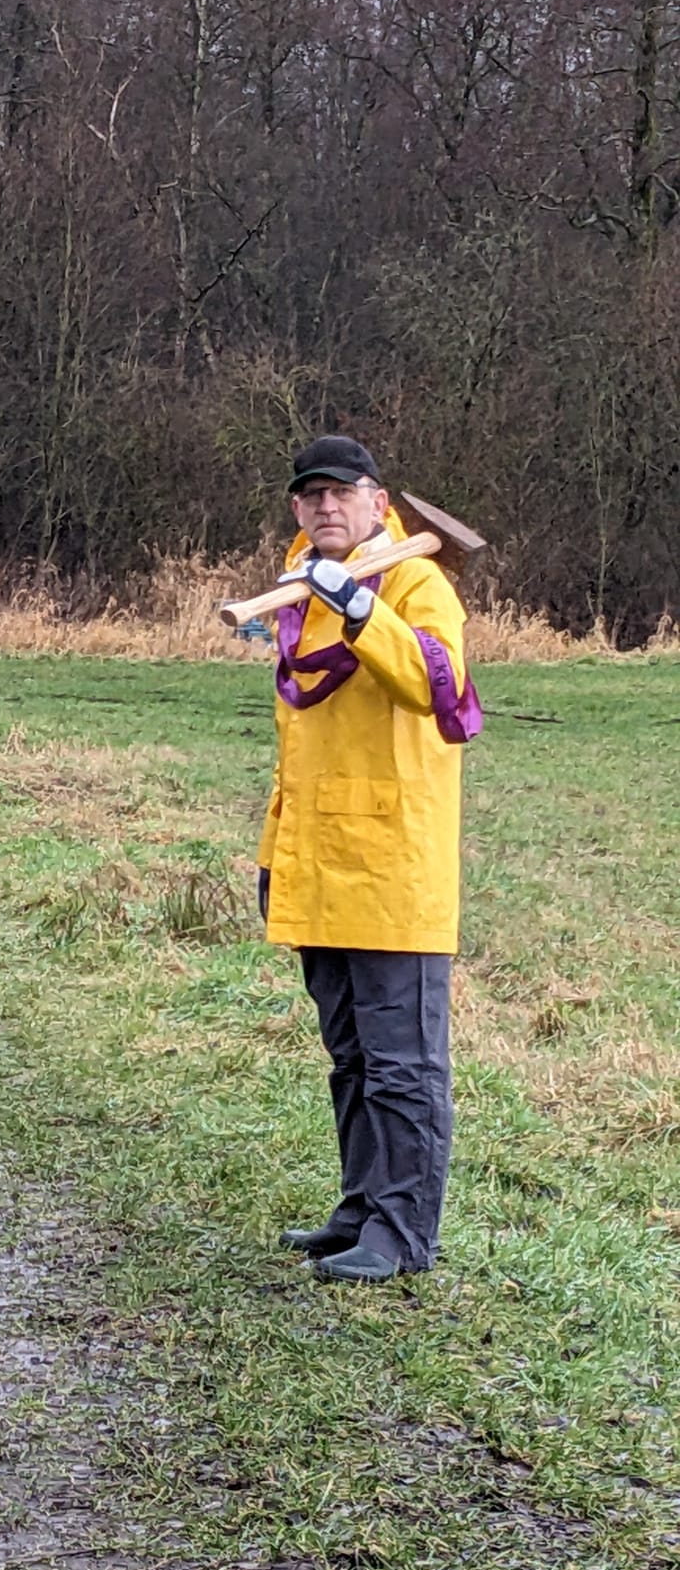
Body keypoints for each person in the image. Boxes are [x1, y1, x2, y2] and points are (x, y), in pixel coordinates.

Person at [256, 435, 481, 1284]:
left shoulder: (418, 583)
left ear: (378, 502)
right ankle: (360, 1208)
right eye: (310, 495)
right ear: (296, 508)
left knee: (402, 1065)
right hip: (317, 860)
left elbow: (436, 686)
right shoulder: (299, 592)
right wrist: (275, 855)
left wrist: (361, 608)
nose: (325, 506)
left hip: (392, 865)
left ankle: (402, 1232)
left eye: (341, 492)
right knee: (351, 1057)